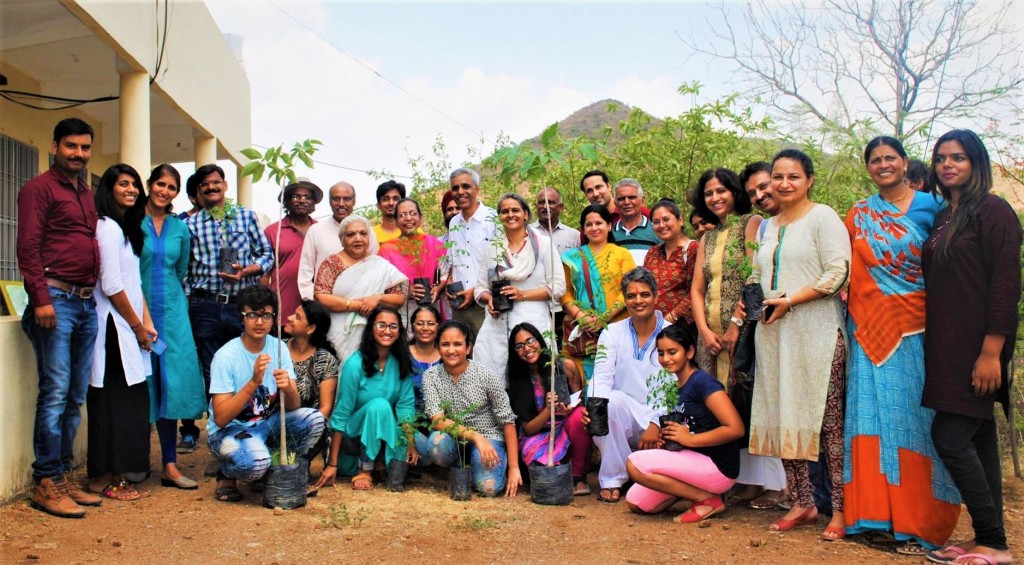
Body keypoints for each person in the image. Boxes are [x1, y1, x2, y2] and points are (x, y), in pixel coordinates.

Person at [842, 136, 959, 552]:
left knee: (914, 422)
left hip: (916, 331)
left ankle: (919, 522)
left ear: (905, 162)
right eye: (875, 160)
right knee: (869, 420)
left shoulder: (934, 210)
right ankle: (872, 517)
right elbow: (844, 270)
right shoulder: (858, 214)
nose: (883, 165)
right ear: (868, 167)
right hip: (867, 330)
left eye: (890, 157)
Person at [923, 130, 1021, 565]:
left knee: (950, 434)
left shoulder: (993, 210)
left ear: (976, 163)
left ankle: (994, 541)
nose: (948, 165)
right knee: (978, 437)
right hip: (946, 342)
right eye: (942, 158)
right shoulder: (946, 215)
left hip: (979, 345)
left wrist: (991, 352)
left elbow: (1005, 285)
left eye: (958, 158)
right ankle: (991, 539)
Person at [748, 149, 850, 540]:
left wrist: (790, 300)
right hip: (774, 332)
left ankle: (839, 509)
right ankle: (802, 501)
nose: (784, 183)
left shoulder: (823, 217)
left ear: (809, 180)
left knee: (828, 425)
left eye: (793, 176)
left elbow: (838, 272)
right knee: (783, 412)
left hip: (817, 331)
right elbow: (761, 275)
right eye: (778, 176)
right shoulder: (767, 226)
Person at [18, 118, 104, 517]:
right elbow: (29, 245)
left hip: (85, 303)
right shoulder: (38, 189)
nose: (79, 154)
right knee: (54, 393)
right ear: (54, 147)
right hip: (54, 299)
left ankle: (63, 475)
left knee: (75, 395)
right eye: (71, 146)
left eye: (85, 148)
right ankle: (45, 482)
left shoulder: (86, 193)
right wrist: (40, 298)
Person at [182, 163, 274, 453]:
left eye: (216, 182)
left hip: (239, 306)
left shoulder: (246, 217)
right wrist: (185, 307)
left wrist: (247, 271)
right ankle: (219, 440)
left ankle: (248, 433)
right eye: (205, 185)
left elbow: (266, 254)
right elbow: (185, 270)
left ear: (225, 185)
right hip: (205, 305)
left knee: (246, 368)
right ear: (198, 192)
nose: (211, 187)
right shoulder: (190, 225)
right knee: (213, 373)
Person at [207, 285, 326, 503]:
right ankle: (226, 472)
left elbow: (293, 405)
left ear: (274, 318)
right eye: (252, 315)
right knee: (255, 464)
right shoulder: (226, 356)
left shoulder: (278, 348)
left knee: (315, 420)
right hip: (230, 431)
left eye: (266, 315)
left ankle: (279, 470)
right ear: (241, 318)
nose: (259, 322)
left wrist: (289, 388)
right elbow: (221, 418)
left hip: (267, 424)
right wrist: (253, 383)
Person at [84, 164, 155, 502]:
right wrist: (138, 326)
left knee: (129, 403)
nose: (131, 190)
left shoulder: (125, 228)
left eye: (134, 184)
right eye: (122, 184)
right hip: (112, 328)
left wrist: (147, 321)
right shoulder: (107, 227)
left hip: (128, 327)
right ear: (108, 189)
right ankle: (103, 478)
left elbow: (134, 283)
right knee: (111, 404)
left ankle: (116, 473)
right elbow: (112, 285)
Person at [625, 323, 743, 523]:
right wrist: (670, 441)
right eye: (661, 353)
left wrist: (689, 439)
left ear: (689, 352)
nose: (666, 359)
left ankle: (707, 499)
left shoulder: (703, 383)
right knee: (636, 502)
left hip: (719, 467)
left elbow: (736, 428)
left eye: (672, 352)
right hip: (694, 461)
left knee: (634, 464)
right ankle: (692, 491)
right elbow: (688, 427)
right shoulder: (675, 387)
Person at [140, 164, 206, 490]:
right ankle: (134, 462)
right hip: (133, 313)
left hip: (172, 314)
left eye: (171, 187)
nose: (164, 191)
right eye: (160, 184)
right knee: (138, 383)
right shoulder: (131, 222)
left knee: (170, 383)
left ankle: (169, 464)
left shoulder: (181, 229)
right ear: (149, 185)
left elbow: (180, 271)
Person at [731, 161, 787, 509]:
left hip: (802, 320)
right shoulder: (763, 227)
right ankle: (774, 484)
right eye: (752, 192)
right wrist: (739, 321)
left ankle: (799, 489)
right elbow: (754, 275)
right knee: (764, 400)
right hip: (765, 324)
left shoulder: (813, 218)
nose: (760, 195)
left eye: (765, 186)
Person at [314, 305, 416, 491]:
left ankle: (388, 466)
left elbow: (406, 408)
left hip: (384, 431)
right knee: (379, 405)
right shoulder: (355, 364)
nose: (387, 331)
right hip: (353, 436)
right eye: (381, 325)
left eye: (393, 326)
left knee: (396, 417)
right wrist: (332, 463)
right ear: (371, 329)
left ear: (400, 331)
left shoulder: (401, 362)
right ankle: (365, 468)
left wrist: (410, 443)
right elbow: (342, 413)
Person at [588, 267, 667, 503]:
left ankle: (638, 471)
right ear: (624, 299)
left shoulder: (671, 332)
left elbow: (674, 385)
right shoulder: (612, 332)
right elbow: (601, 376)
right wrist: (595, 410)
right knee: (608, 403)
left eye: (644, 294)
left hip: (659, 422)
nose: (638, 300)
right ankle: (613, 477)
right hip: (622, 418)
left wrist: (656, 422)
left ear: (655, 297)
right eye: (631, 296)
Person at [473, 193, 565, 384]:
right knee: (494, 376)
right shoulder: (493, 248)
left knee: (538, 378)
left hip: (534, 322)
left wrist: (522, 295)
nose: (510, 215)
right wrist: (489, 299)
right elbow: (480, 287)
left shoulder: (543, 244)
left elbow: (558, 286)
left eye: (515, 210)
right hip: (498, 323)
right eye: (504, 211)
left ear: (525, 214)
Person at [422, 321, 521, 497]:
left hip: (489, 437)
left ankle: (482, 467)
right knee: (436, 445)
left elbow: (507, 419)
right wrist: (475, 436)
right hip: (456, 438)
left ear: (468, 348)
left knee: (488, 488)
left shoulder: (485, 374)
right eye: (445, 344)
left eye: (457, 344)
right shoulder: (430, 376)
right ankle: (457, 471)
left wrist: (514, 468)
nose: (451, 350)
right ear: (437, 348)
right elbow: (438, 420)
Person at [689, 167, 761, 386]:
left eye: (721, 191)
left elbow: (754, 278)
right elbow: (697, 289)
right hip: (710, 338)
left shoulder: (751, 222)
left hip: (741, 332)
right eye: (709, 194)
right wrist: (704, 332)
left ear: (734, 192)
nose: (715, 198)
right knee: (712, 398)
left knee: (741, 397)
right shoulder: (707, 238)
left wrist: (735, 325)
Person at [506, 323, 591, 496]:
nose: (527, 348)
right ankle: (556, 476)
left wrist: (570, 409)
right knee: (542, 464)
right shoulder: (517, 381)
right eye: (520, 346)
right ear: (514, 352)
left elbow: (577, 403)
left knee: (579, 418)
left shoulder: (564, 367)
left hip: (566, 428)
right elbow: (528, 429)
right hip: (537, 435)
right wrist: (548, 409)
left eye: (530, 341)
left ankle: (577, 478)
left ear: (539, 340)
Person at [313, 215, 407, 361]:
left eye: (363, 233)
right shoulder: (331, 263)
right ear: (342, 239)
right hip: (338, 334)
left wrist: (378, 298)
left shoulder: (380, 265)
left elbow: (399, 298)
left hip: (374, 335)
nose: (358, 238)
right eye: (351, 234)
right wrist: (356, 305)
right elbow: (321, 296)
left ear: (369, 237)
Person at [560, 204, 636, 379]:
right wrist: (581, 316)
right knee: (586, 381)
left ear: (609, 226)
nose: (594, 228)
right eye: (589, 224)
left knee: (619, 378)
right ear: (583, 229)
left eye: (599, 223)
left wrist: (604, 318)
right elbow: (565, 293)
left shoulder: (622, 254)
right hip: (582, 331)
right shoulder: (571, 257)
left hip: (617, 326)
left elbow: (628, 290)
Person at [283, 299, 339, 463]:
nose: (290, 318)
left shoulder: (325, 360)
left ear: (311, 329)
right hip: (274, 424)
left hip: (308, 427)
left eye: (298, 317)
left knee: (293, 467)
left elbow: (325, 407)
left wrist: (305, 431)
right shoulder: (278, 349)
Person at [263, 177, 322, 325]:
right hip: (282, 310)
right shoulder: (273, 231)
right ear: (286, 201)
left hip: (316, 309)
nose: (302, 200)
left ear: (313, 202)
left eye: (307, 197)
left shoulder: (321, 230)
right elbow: (264, 275)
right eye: (295, 196)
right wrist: (264, 306)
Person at [378, 198, 447, 325]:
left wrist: (438, 287)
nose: (408, 218)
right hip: (403, 313)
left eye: (413, 213)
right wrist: (406, 291)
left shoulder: (435, 244)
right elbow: (382, 284)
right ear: (396, 221)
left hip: (431, 308)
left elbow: (444, 273)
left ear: (420, 218)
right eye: (402, 215)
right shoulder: (386, 250)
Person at [445, 167, 497, 333]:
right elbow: (452, 259)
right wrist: (449, 282)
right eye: (455, 188)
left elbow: (500, 264)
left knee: (485, 354)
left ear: (477, 189)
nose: (460, 192)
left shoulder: (493, 219)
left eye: (466, 186)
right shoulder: (454, 223)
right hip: (460, 303)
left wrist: (475, 291)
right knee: (463, 352)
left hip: (485, 301)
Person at [533, 187, 582, 349]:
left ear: (561, 207)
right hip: (536, 304)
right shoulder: (528, 234)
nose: (545, 206)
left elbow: (579, 271)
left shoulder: (573, 236)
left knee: (564, 351)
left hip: (565, 307)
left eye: (551, 202)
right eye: (541, 202)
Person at [298, 181, 356, 301]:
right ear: (330, 201)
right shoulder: (316, 231)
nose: (341, 203)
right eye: (336, 199)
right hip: (323, 306)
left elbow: (373, 269)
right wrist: (314, 303)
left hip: (359, 306)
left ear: (354, 201)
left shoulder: (366, 232)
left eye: (347, 199)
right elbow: (305, 273)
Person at [643, 198, 698, 327]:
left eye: (666, 220)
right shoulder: (652, 252)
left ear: (680, 220)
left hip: (681, 327)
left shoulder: (693, 249)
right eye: (656, 222)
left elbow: (697, 290)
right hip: (651, 325)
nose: (661, 225)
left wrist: (670, 318)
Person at [408, 305, 442, 464]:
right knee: (425, 455)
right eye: (420, 323)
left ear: (438, 326)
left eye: (430, 323)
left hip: (441, 423)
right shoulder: (403, 354)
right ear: (412, 326)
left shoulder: (448, 354)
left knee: (437, 448)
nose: (425, 328)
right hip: (409, 422)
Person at [611, 178, 660, 266]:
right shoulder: (609, 234)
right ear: (615, 203)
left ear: (643, 201)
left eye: (632, 197)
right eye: (621, 199)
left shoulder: (657, 230)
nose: (626, 202)